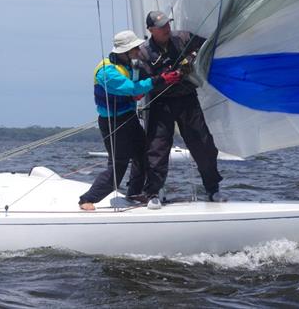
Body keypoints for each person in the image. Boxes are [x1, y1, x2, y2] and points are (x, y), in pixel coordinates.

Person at [79, 30, 182, 211]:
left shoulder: (128, 65)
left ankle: (134, 193)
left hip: (129, 118)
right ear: (124, 51)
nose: (138, 51)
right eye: (134, 49)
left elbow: (135, 89)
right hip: (113, 124)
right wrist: (160, 80)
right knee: (117, 167)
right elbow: (130, 88)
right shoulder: (107, 71)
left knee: (143, 155)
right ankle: (87, 199)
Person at [138, 11, 224, 209]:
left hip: (187, 99)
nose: (166, 28)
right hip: (160, 103)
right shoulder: (143, 53)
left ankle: (213, 189)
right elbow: (144, 83)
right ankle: (153, 192)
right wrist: (165, 78)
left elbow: (209, 44)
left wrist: (193, 58)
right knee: (157, 149)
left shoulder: (183, 38)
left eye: (167, 24)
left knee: (204, 144)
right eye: (161, 27)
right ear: (151, 30)